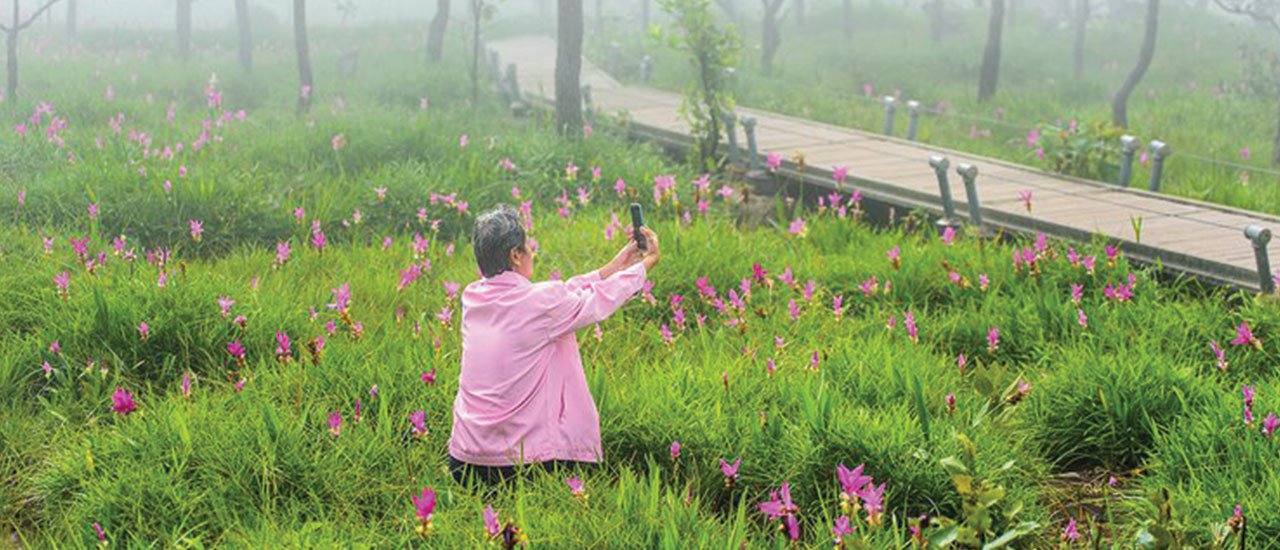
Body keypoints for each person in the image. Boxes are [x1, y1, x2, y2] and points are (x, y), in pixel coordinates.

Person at [447, 205, 660, 484]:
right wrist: (647, 262)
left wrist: (618, 264)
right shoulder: (542, 302)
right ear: (515, 255)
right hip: (515, 466)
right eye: (528, 247)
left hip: (464, 463)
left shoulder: (473, 297)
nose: (532, 253)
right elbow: (592, 299)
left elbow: (563, 294)